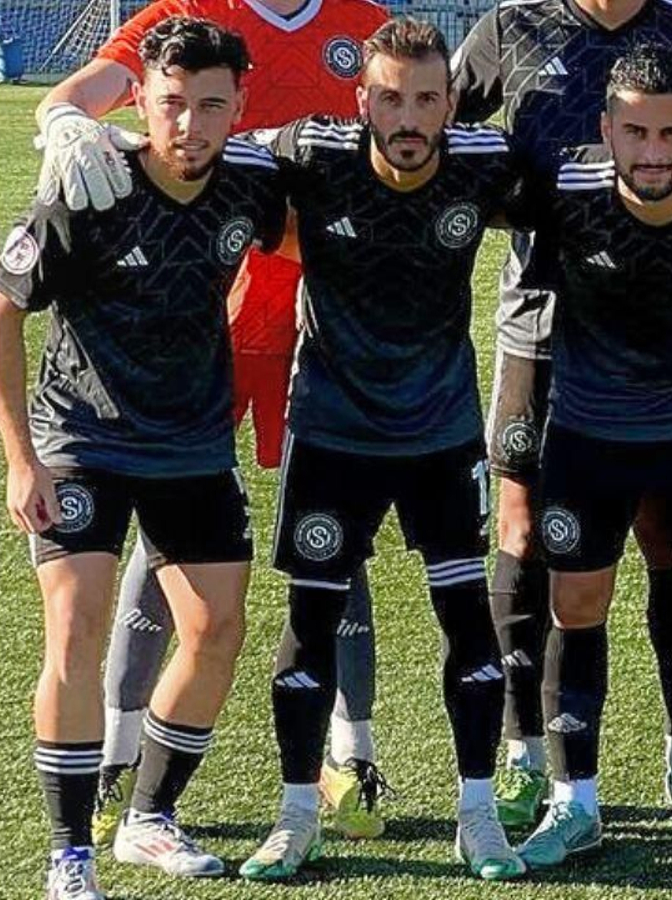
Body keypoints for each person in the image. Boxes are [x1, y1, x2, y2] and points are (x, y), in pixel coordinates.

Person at [32, 0, 393, 842]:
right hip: (201, 331)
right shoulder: (186, 15)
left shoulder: (365, 21)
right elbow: (86, 94)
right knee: (159, 544)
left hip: (320, 328)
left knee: (333, 534)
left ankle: (350, 749)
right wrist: (59, 118)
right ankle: (121, 746)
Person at [0, 18, 291, 899]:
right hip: (80, 441)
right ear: (140, 101)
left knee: (215, 632)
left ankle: (149, 820)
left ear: (239, 106)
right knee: (76, 630)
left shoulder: (250, 189)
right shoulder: (86, 187)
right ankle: (68, 851)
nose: (188, 125)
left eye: (209, 106)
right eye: (170, 104)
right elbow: (2, 311)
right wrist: (20, 459)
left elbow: (317, 246)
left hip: (193, 443)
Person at [451, 0, 672, 827]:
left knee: (668, 530)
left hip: (658, 329)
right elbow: (444, 124)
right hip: (539, 322)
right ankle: (523, 755)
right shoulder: (511, 28)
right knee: (520, 532)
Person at [240, 17, 525, 883]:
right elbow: (208, 152)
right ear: (360, 99)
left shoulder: (485, 162)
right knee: (309, 622)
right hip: (330, 431)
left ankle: (478, 815)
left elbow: (582, 192)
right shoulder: (311, 152)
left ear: (451, 104)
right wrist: (86, 132)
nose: (408, 117)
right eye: (390, 98)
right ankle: (297, 815)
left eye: (426, 99)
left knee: (466, 621)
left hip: (441, 434)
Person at [503, 42, 672, 876]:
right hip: (589, 435)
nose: (651, 152)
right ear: (605, 130)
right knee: (576, 607)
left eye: (669, 132)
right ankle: (572, 803)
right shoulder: (564, 189)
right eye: (634, 132)